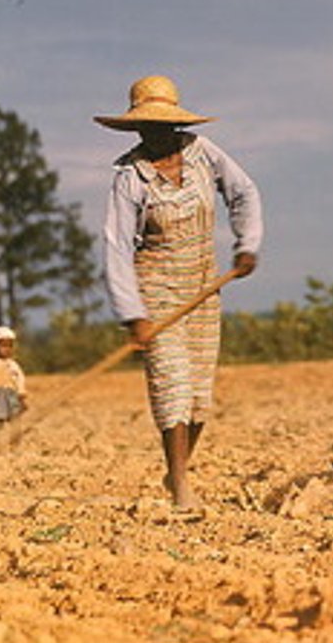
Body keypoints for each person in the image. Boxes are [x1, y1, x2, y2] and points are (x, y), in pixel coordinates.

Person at [98, 75, 262, 511]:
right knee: (171, 385)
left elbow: (244, 193)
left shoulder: (202, 153)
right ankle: (183, 490)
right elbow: (116, 246)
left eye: (162, 124)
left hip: (205, 287)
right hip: (156, 287)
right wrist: (134, 313)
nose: (155, 133)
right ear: (136, 128)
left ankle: (175, 472)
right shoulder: (129, 176)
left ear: (175, 123)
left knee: (198, 397)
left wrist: (246, 245)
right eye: (147, 125)